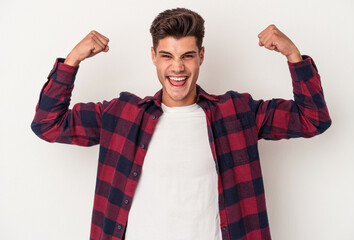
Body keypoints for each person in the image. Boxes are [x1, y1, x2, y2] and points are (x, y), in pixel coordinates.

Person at [31, 7, 331, 240]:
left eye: (187, 56)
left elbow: (312, 119)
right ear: (153, 57)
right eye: (167, 56)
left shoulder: (236, 113)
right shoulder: (121, 115)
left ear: (201, 56)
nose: (177, 67)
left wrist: (294, 56)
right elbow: (48, 124)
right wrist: (72, 61)